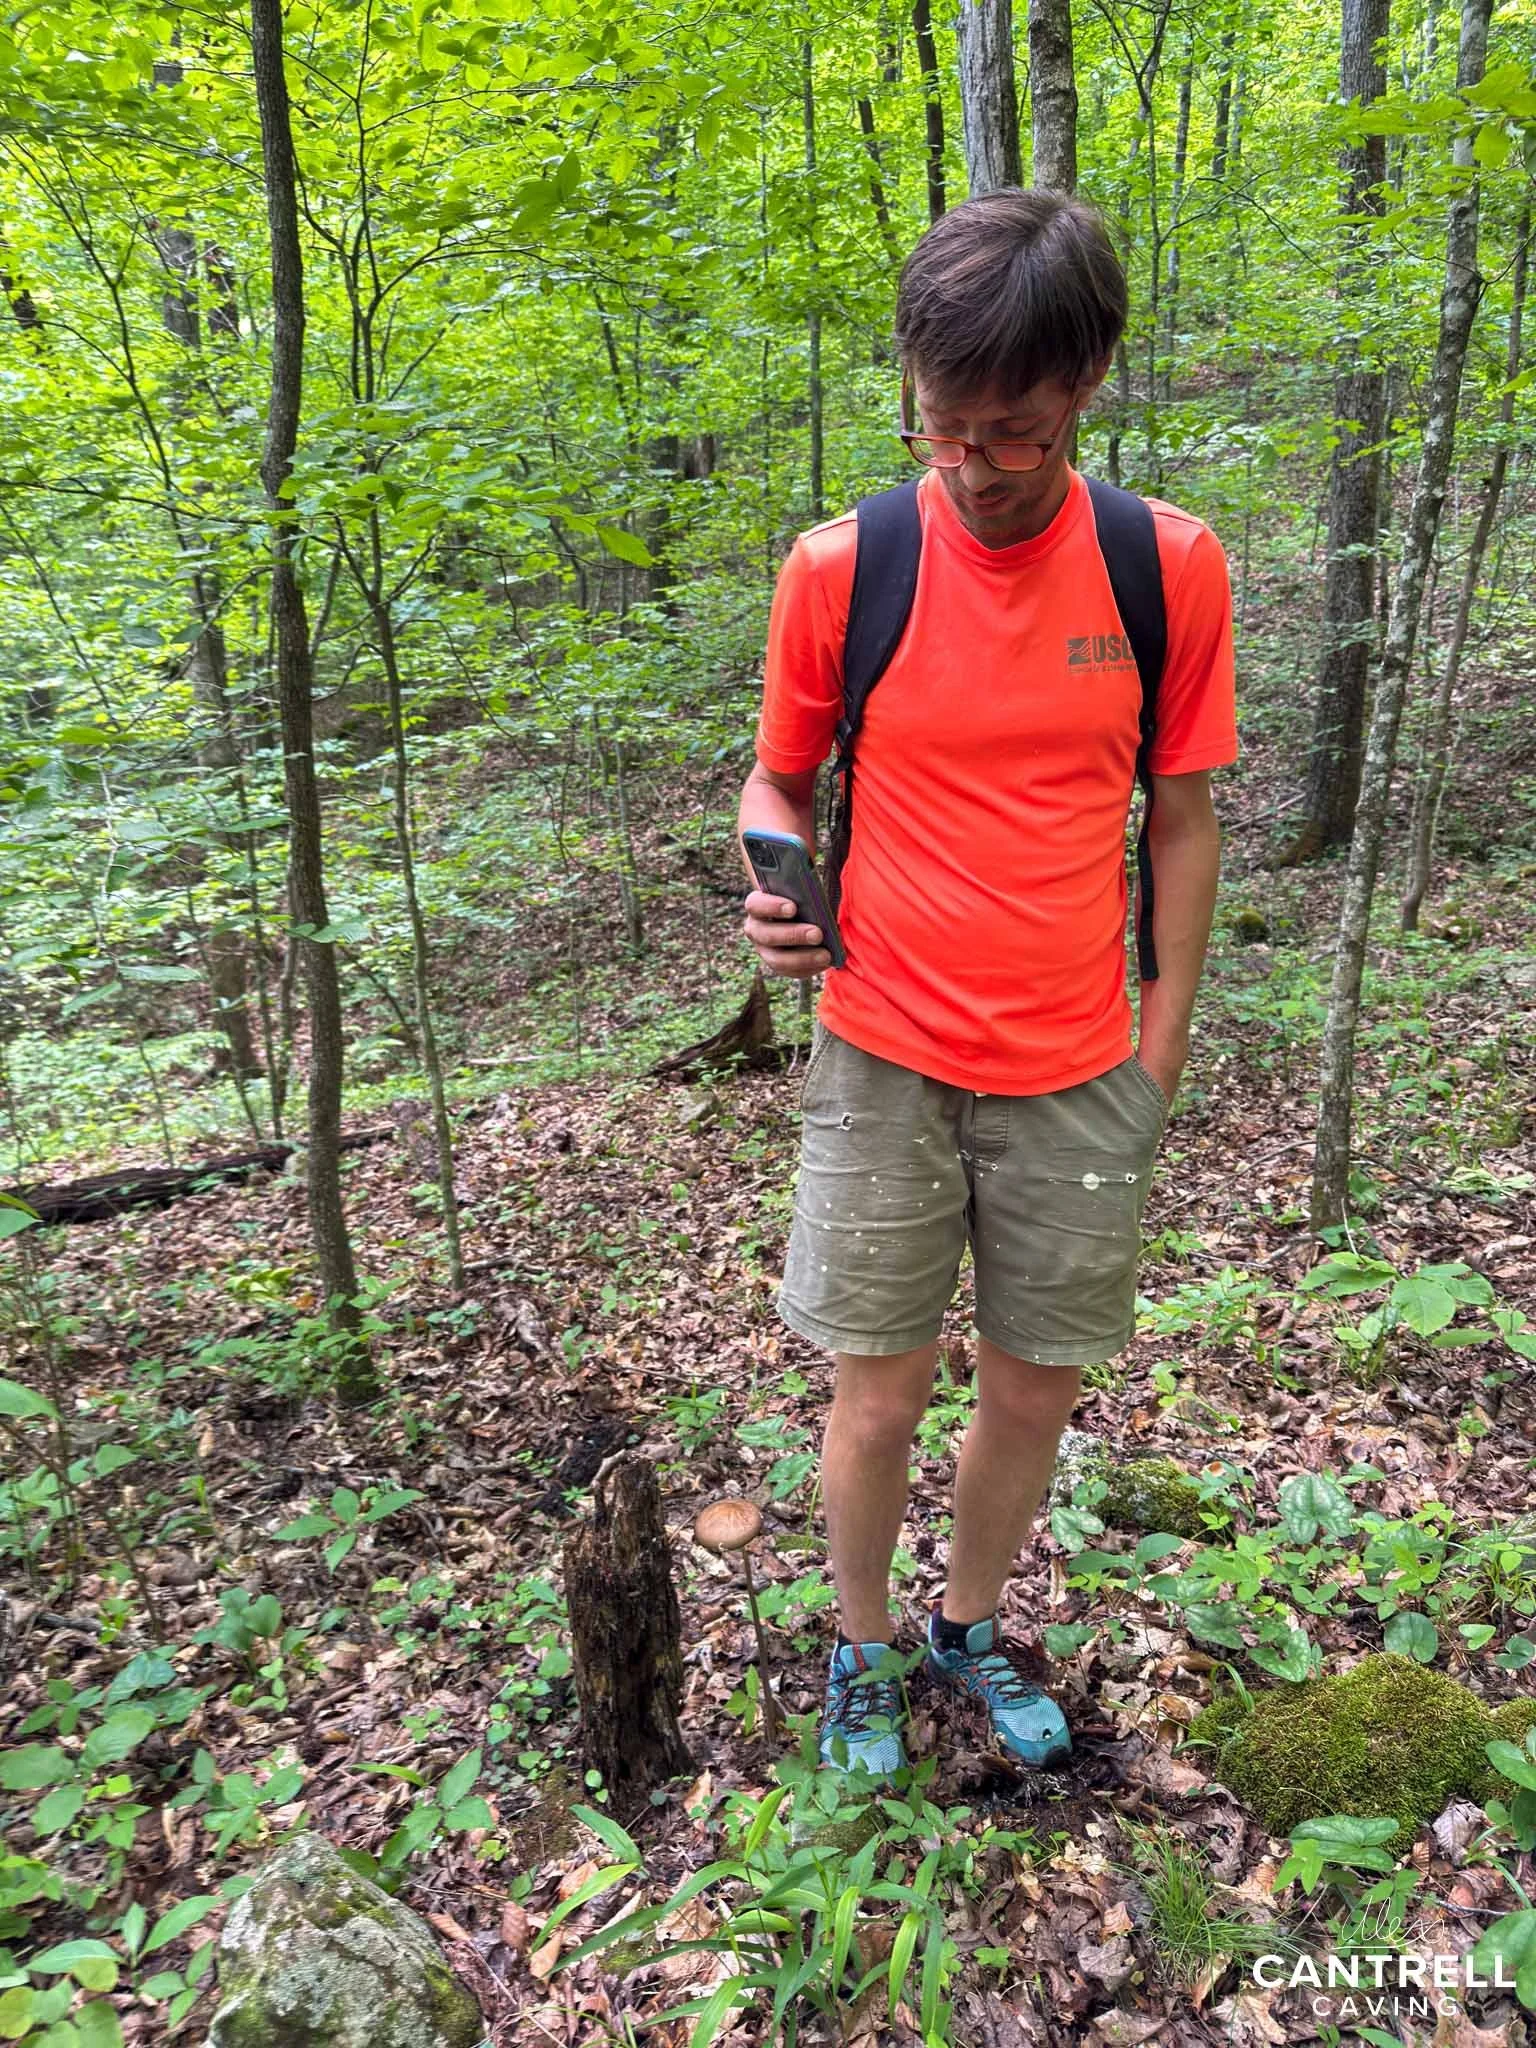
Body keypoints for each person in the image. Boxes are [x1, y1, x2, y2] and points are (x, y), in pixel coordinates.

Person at [736, 188, 1238, 1781]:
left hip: (1083, 1065)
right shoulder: (844, 566)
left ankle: (967, 1623)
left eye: (1014, 431)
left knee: (1030, 1394)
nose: (975, 465)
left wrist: (1156, 1053)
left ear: (1087, 383)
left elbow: (1185, 818)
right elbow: (775, 782)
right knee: (874, 1400)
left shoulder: (1167, 570)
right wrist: (771, 883)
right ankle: (865, 1648)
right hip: (881, 1051)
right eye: (946, 428)